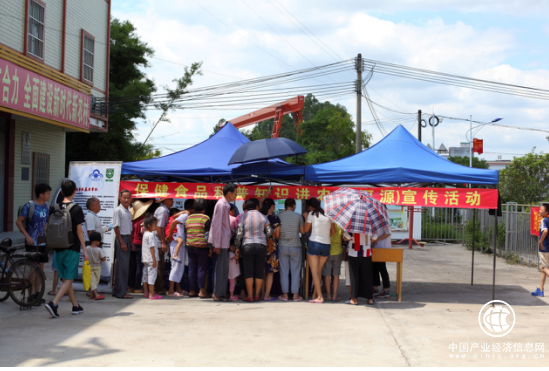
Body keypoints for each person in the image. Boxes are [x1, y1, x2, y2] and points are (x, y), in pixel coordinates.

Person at [45, 180, 89, 318]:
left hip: (58, 247)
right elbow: (79, 231)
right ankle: (54, 303)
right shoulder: (76, 208)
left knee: (65, 278)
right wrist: (84, 249)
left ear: (62, 192)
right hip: (71, 247)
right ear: (75, 191)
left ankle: (75, 306)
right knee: (70, 278)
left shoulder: (54, 207)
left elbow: (47, 228)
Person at [16, 183, 51, 305]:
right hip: (32, 243)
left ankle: (37, 293)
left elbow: (46, 220)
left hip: (42, 243)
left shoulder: (46, 206)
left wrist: (45, 229)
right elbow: (19, 222)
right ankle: (31, 294)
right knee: (33, 269)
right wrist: (27, 235)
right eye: (47, 193)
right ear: (41, 194)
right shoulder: (30, 206)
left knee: (40, 269)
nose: (49, 196)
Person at [235, 198, 273, 302]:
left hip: (247, 245)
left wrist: (237, 247)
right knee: (259, 271)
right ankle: (257, 295)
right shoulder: (263, 216)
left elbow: (239, 233)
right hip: (261, 245)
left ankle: (250, 296)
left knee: (248, 272)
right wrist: (262, 236)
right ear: (257, 206)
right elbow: (269, 232)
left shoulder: (243, 217)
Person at [208, 184, 237, 301]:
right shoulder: (222, 205)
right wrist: (217, 244)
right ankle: (217, 294)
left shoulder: (225, 204)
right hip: (221, 243)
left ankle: (220, 293)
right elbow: (216, 226)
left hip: (224, 242)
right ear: (229, 193)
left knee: (224, 269)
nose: (236, 195)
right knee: (220, 269)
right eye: (235, 192)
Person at [304, 198, 335, 304]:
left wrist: (305, 218)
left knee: (314, 271)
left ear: (310, 207)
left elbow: (306, 230)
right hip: (326, 244)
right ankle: (315, 295)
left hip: (314, 243)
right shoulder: (328, 215)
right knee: (319, 271)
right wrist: (325, 236)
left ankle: (320, 297)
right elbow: (333, 231)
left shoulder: (311, 214)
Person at [277, 198, 305, 302]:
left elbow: (277, 232)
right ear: (293, 205)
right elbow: (302, 231)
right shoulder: (298, 216)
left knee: (284, 271)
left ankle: (285, 295)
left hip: (282, 246)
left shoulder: (279, 216)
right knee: (295, 271)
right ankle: (295, 295)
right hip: (295, 246)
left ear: (285, 206)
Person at [165, 200, 194, 296]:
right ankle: (171, 290)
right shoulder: (185, 215)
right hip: (175, 242)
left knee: (179, 267)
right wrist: (169, 236)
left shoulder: (185, 214)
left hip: (177, 242)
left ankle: (178, 288)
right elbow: (173, 222)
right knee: (176, 266)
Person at [185, 199, 211, 298]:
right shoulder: (205, 218)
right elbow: (208, 234)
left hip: (190, 246)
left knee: (191, 268)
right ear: (204, 209)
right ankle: (201, 291)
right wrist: (210, 248)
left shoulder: (188, 218)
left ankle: (191, 291)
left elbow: (186, 230)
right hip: (202, 247)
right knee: (201, 269)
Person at [112, 190, 134, 299]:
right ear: (120, 198)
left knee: (125, 267)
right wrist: (121, 242)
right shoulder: (118, 210)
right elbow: (116, 227)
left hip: (127, 238)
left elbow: (128, 229)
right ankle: (121, 292)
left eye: (128, 198)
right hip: (122, 239)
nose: (126, 200)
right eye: (124, 198)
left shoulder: (128, 211)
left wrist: (130, 243)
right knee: (122, 267)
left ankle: (118, 290)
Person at [345, 232, 375, 306]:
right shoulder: (369, 225)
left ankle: (354, 299)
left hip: (353, 252)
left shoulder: (351, 225)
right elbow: (374, 238)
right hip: (366, 252)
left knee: (354, 276)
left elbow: (346, 237)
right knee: (367, 276)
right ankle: (370, 299)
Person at [130, 200, 153, 294]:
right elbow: (144, 234)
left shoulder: (133, 220)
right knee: (139, 266)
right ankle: (137, 287)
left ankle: (131, 286)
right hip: (140, 244)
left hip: (133, 243)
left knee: (132, 266)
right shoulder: (143, 221)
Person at [261, 198, 280, 301]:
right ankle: (267, 295)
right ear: (272, 206)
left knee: (262, 272)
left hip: (261, 246)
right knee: (270, 272)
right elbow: (277, 236)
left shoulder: (260, 217)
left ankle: (261, 293)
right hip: (271, 247)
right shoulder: (275, 218)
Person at [154, 197, 173, 295]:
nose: (172, 201)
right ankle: (159, 288)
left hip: (157, 240)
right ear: (165, 200)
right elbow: (159, 227)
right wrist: (163, 242)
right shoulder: (163, 211)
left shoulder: (163, 209)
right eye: (170, 199)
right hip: (158, 241)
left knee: (159, 265)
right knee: (159, 265)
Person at [142, 216, 162, 300]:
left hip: (145, 259)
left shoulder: (145, 234)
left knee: (145, 275)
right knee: (152, 276)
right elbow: (152, 247)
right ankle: (152, 294)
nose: (156, 227)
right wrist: (154, 260)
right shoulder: (151, 235)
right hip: (151, 259)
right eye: (155, 225)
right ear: (149, 225)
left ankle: (146, 292)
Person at [323, 223, 344, 302]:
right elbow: (342, 238)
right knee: (336, 274)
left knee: (327, 274)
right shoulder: (340, 225)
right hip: (338, 250)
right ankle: (335, 295)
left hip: (328, 250)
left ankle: (328, 295)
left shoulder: (327, 224)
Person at [532, 203, 549, 297]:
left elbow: (545, 231)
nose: (539, 211)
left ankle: (540, 289)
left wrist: (540, 242)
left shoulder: (544, 220)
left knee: (543, 268)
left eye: (542, 209)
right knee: (543, 268)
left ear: (546, 212)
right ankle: (540, 289)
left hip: (544, 248)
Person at [372, 229, 392, 299]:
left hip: (382, 247)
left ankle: (386, 290)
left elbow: (388, 233)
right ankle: (375, 288)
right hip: (375, 248)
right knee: (374, 268)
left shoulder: (385, 219)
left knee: (382, 268)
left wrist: (377, 239)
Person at [87, 232, 106, 300]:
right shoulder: (99, 250)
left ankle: (92, 294)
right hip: (97, 266)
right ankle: (96, 294)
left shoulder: (87, 248)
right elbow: (103, 258)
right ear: (96, 241)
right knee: (95, 280)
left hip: (89, 266)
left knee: (92, 280)